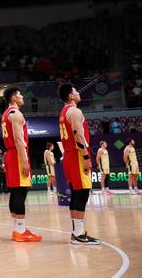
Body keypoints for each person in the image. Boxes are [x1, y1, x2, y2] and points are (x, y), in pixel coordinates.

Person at [59, 83, 100, 244]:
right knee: (82, 194)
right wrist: (86, 157)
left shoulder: (63, 112)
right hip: (77, 155)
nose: (78, 93)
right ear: (70, 95)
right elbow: (78, 135)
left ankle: (77, 232)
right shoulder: (75, 111)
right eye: (76, 91)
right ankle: (78, 234)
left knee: (76, 194)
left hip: (69, 155)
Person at [2, 87, 41, 242]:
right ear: (13, 98)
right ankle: (20, 231)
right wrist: (24, 159)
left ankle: (17, 229)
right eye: (20, 95)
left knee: (15, 192)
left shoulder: (6, 114)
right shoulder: (16, 114)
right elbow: (18, 139)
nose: (22, 97)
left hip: (11, 153)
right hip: (17, 154)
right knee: (20, 192)